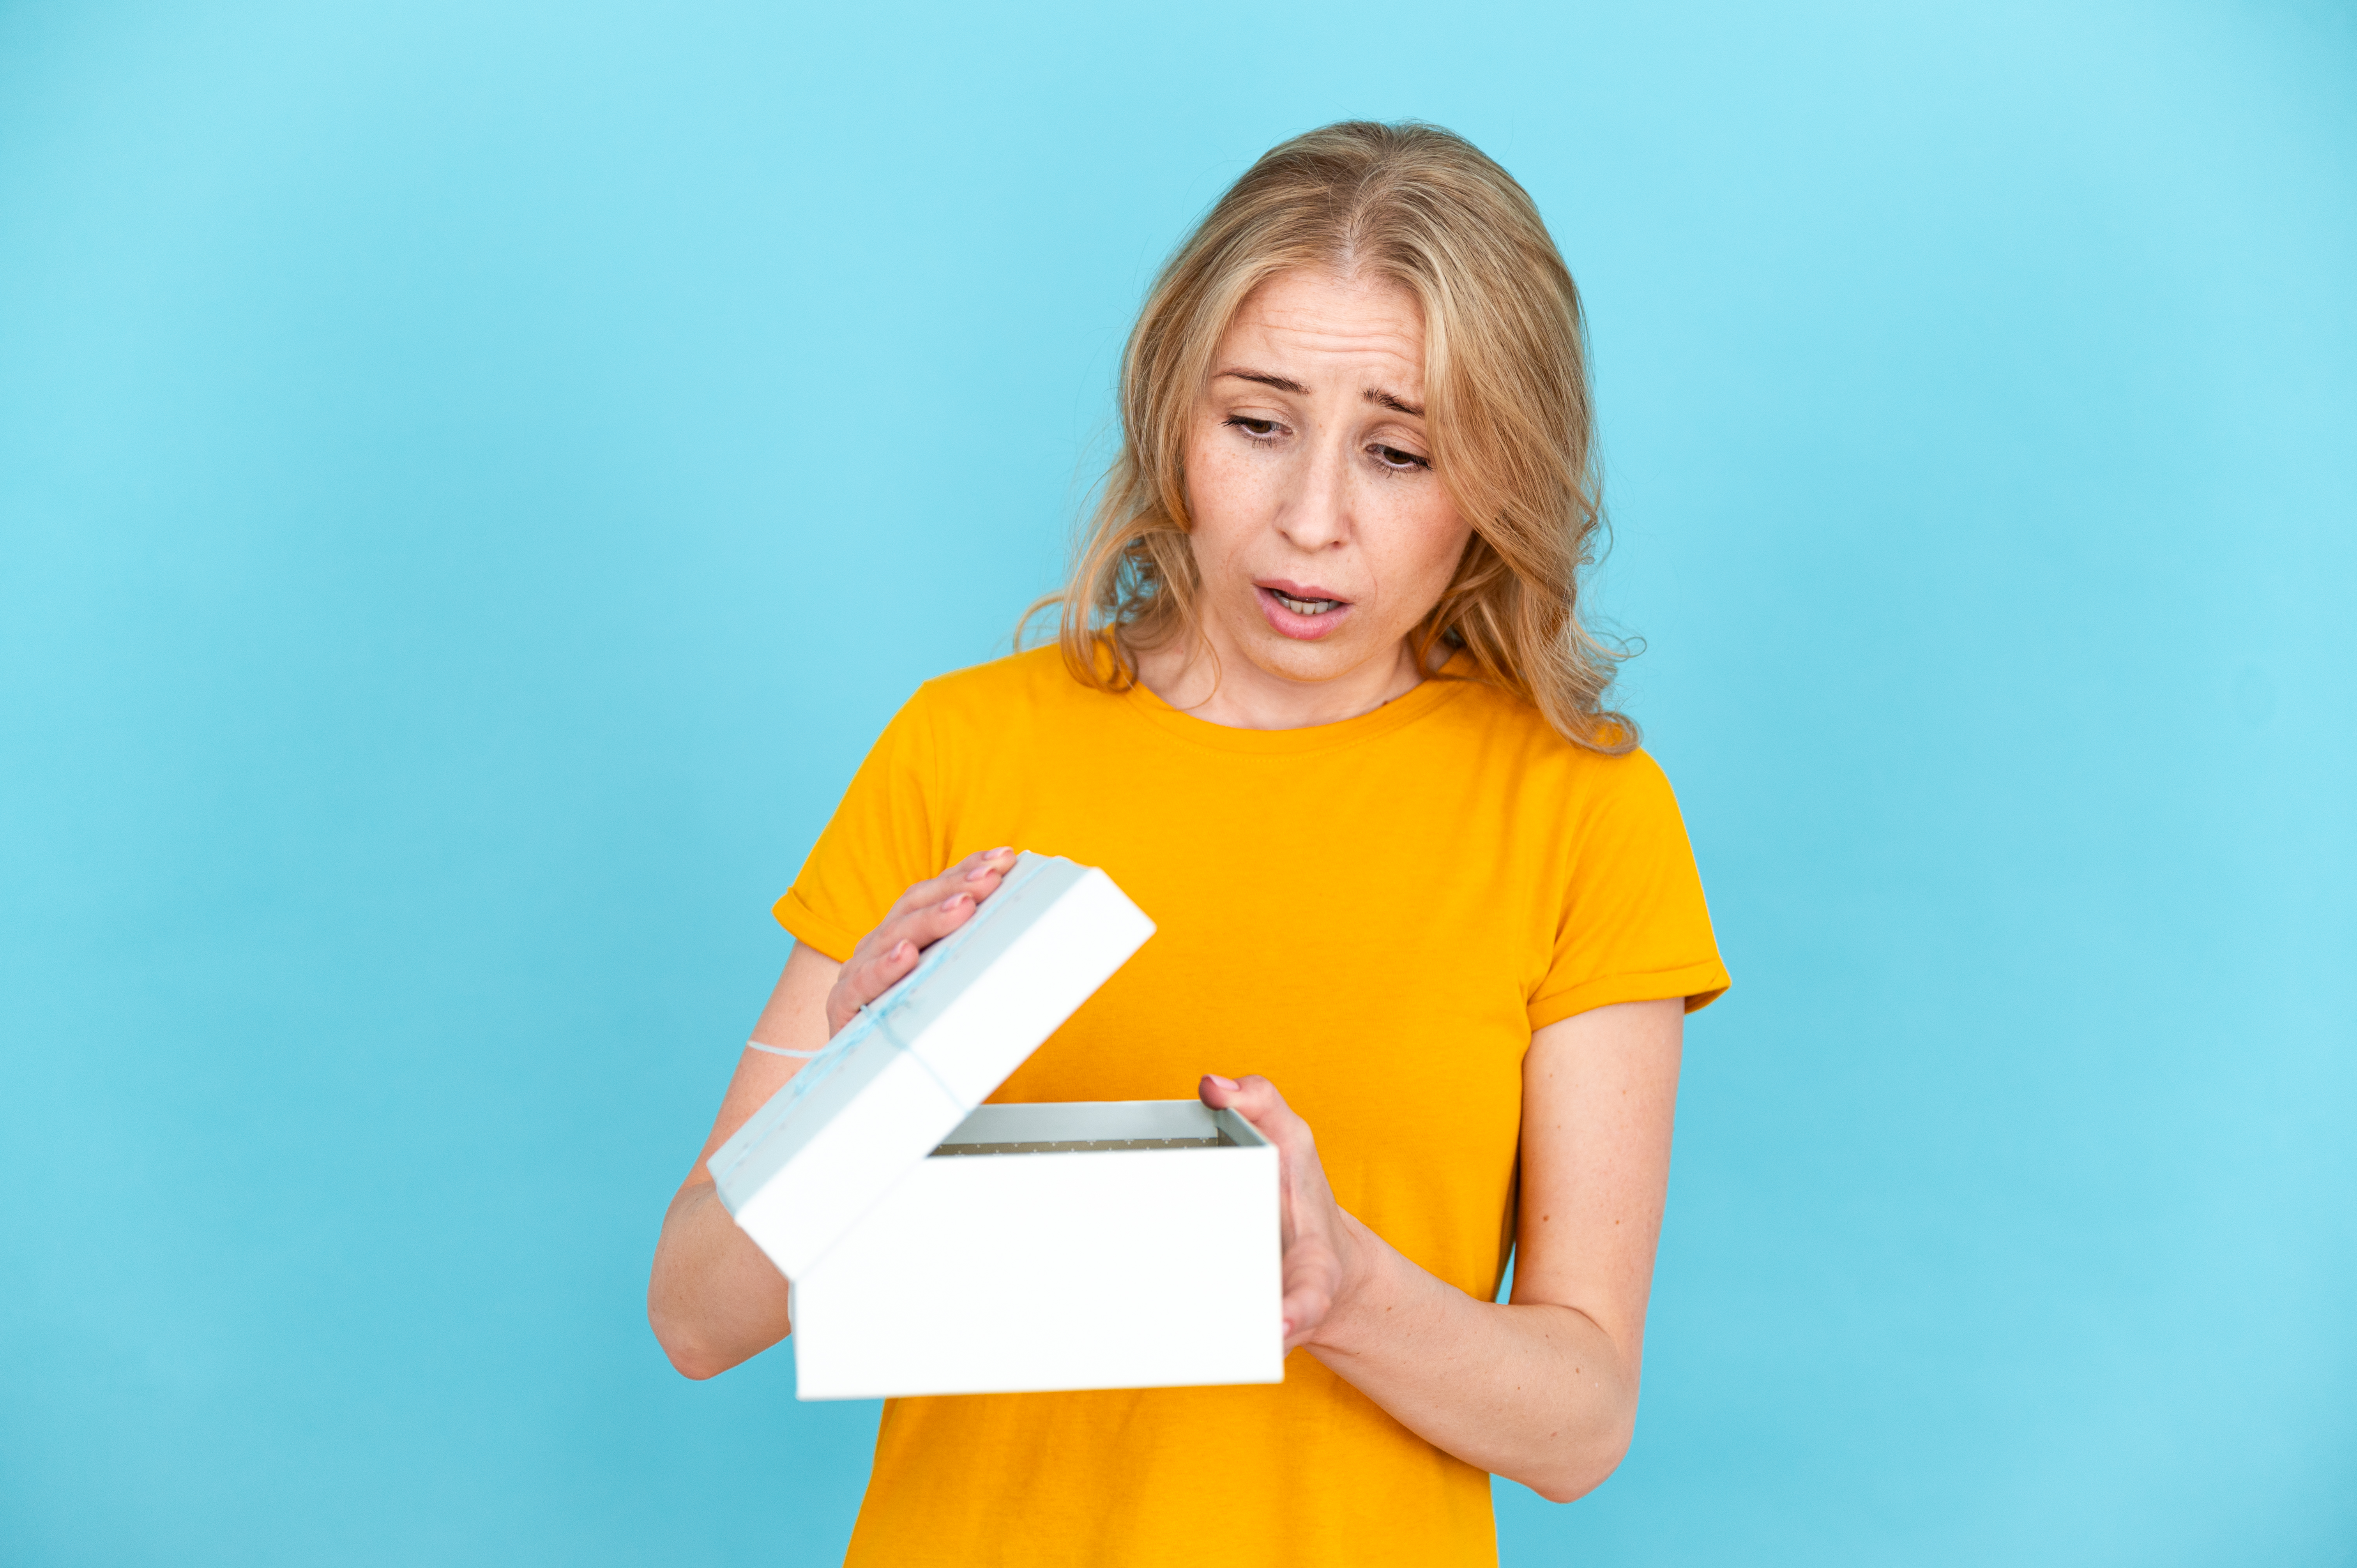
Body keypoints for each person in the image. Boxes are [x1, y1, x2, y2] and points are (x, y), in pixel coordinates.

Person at [647, 120, 1728, 1567]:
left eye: (1401, 451)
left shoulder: (1580, 811)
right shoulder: (968, 750)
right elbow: (697, 1315)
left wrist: (1334, 1285)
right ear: (1174, 417)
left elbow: (1582, 1423)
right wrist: (865, 1083)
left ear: (1497, 480)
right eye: (1259, 423)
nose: (1312, 518)